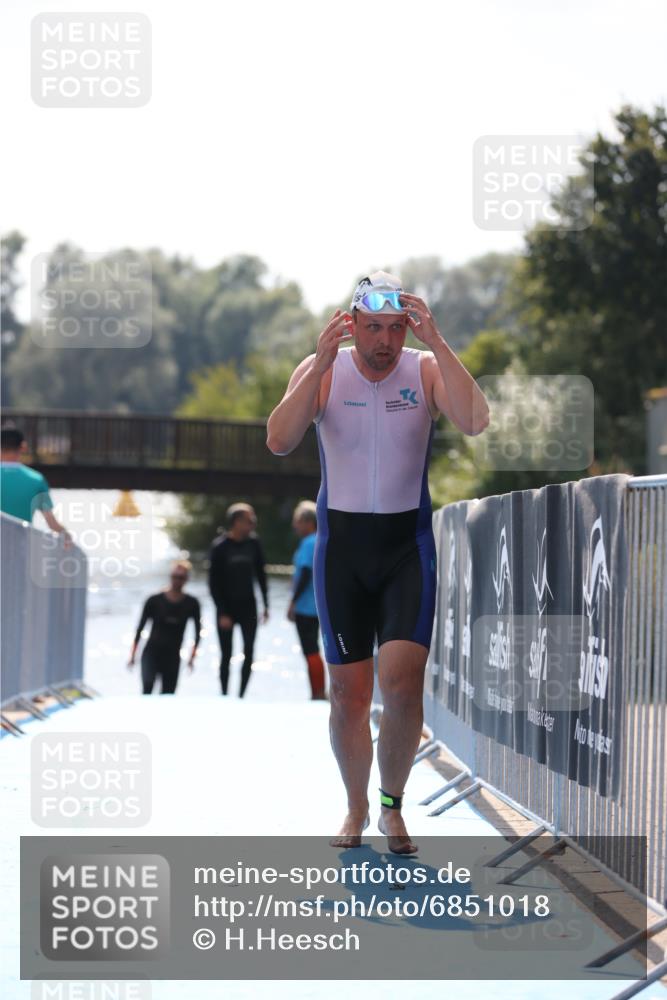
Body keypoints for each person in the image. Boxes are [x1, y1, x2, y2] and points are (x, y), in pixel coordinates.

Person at [267, 270, 489, 853]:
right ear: (352, 325)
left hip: (404, 548)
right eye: (373, 328)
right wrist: (316, 365)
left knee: (402, 683)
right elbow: (279, 440)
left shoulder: (424, 369)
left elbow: (475, 420)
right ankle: (355, 805)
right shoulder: (324, 369)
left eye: (396, 327)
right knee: (348, 695)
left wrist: (438, 341)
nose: (385, 340)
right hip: (342, 551)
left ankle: (392, 806)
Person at [208, 502, 269, 698]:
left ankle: (241, 695)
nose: (252, 524)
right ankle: (225, 695)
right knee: (226, 654)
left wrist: (266, 605)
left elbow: (261, 575)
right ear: (236, 522)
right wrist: (222, 612)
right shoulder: (220, 547)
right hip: (226, 608)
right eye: (249, 521)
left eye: (254, 521)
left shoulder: (254, 544)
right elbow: (213, 584)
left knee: (249, 651)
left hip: (248, 606)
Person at [128, 560, 201, 695]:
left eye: (181, 577)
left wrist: (192, 658)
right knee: (147, 692)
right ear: (170, 577)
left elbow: (197, 633)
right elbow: (140, 629)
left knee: (168, 697)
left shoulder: (192, 603)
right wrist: (132, 655)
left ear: (186, 579)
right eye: (175, 576)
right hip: (151, 653)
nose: (177, 580)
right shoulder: (154, 600)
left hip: (173, 656)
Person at [0, 426, 71, 545]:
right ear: (23, 447)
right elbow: (51, 523)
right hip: (20, 548)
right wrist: (66, 535)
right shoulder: (36, 480)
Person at [287, 500, 326, 701]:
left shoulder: (309, 542)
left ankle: (318, 692)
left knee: (310, 649)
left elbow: (305, 572)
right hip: (319, 605)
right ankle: (317, 691)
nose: (295, 526)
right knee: (314, 648)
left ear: (307, 521)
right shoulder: (320, 539)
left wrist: (293, 601)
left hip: (306, 606)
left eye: (297, 521)